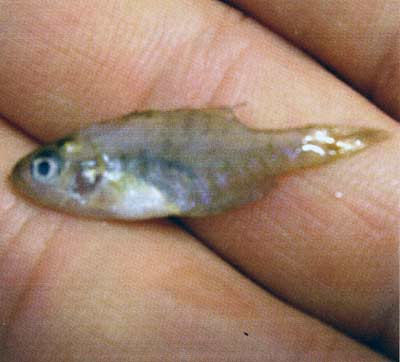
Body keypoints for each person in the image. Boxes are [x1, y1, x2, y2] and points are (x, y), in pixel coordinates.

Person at [0, 1, 398, 361]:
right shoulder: (96, 157)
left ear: (88, 170)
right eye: (43, 168)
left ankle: (323, 143)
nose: (41, 177)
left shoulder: (98, 159)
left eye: (45, 169)